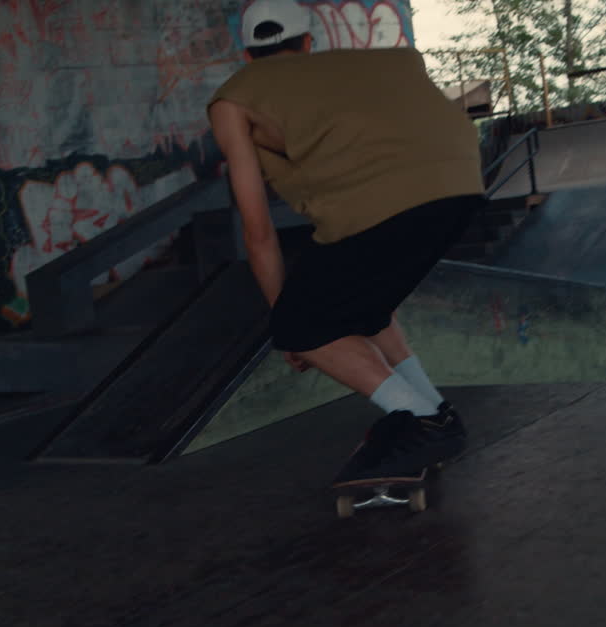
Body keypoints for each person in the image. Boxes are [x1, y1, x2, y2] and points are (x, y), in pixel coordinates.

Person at [205, 0, 486, 481]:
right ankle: (436, 406)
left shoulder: (234, 98)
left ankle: (422, 420)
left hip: (377, 204)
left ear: (247, 55)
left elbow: (258, 229)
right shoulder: (366, 64)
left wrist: (288, 326)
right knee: (368, 308)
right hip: (462, 186)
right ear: (309, 43)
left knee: (303, 321)